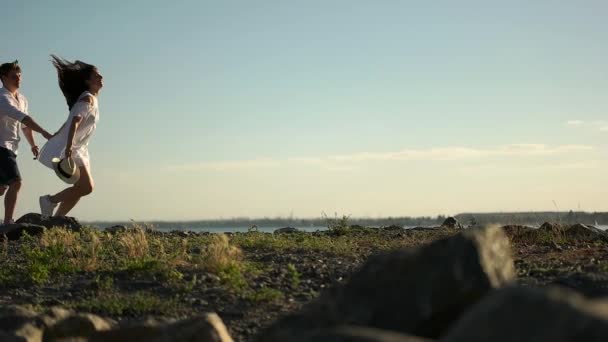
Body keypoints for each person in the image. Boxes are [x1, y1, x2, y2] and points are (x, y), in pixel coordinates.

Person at [38, 55, 103, 217]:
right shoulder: (87, 99)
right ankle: (50, 201)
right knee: (86, 187)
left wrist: (57, 133)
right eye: (96, 75)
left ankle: (58, 218)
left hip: (79, 148)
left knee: (82, 188)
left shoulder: (91, 98)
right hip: (72, 147)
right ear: (88, 81)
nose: (101, 77)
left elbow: (70, 121)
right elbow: (74, 121)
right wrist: (67, 147)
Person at [0, 60, 53, 224]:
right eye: (14, 77)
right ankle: (8, 223)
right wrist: (43, 131)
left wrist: (33, 144)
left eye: (20, 77)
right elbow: (23, 118)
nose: (18, 80)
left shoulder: (22, 99)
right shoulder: (2, 98)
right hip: (1, 147)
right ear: (3, 78)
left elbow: (24, 126)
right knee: (16, 182)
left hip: (12, 148)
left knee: (2, 188)